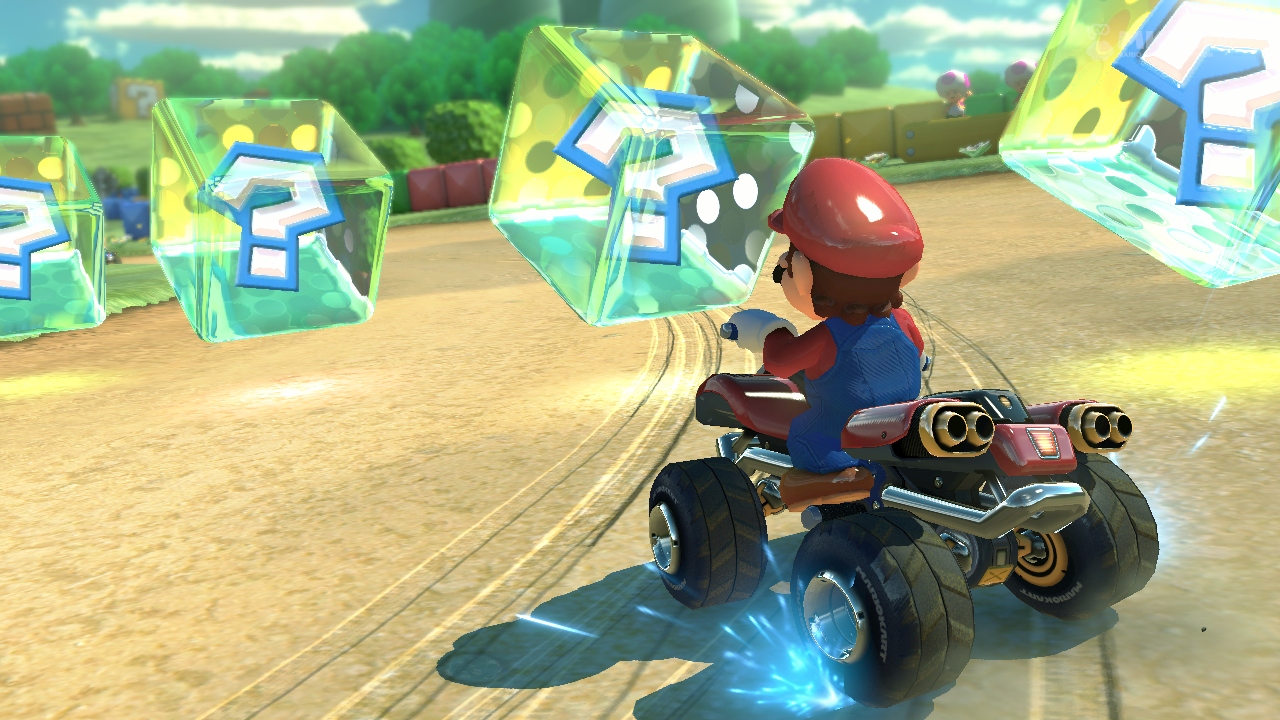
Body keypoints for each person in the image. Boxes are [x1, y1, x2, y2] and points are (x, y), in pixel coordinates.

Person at [725, 158, 926, 512]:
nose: (783, 266)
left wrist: (768, 329)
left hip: (838, 437)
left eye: (791, 256)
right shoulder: (902, 320)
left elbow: (778, 362)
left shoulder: (827, 337)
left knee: (803, 433)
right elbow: (919, 353)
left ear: (807, 271)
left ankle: (791, 490)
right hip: (899, 431)